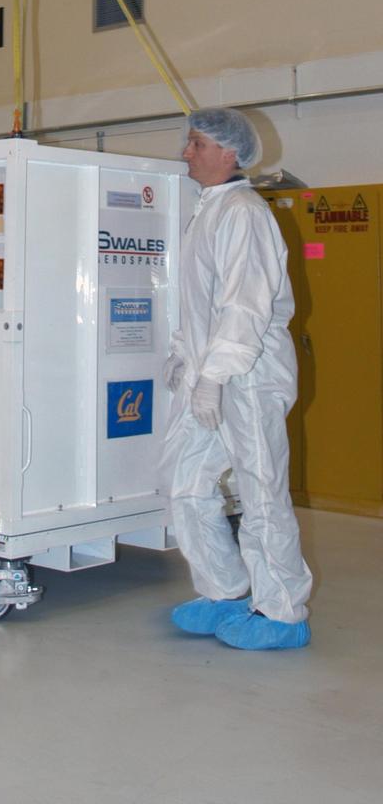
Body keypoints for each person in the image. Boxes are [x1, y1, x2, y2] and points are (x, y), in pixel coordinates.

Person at [162, 107, 312, 650]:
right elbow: (198, 302)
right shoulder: (207, 211)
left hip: (247, 378)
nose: (186, 152)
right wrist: (185, 357)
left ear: (229, 154)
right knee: (183, 482)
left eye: (196, 143)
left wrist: (217, 375)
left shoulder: (244, 212)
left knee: (261, 490)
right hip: (209, 377)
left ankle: (281, 611)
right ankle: (223, 591)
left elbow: (244, 307)